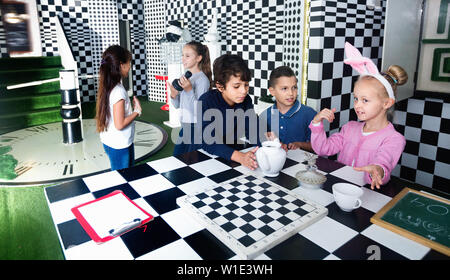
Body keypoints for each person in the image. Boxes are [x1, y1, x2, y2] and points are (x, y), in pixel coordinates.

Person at [309, 42, 407, 190]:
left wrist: (378, 170)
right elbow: (323, 149)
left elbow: (383, 163)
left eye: (365, 100)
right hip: (339, 189)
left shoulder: (394, 139)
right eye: (356, 98)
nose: (357, 105)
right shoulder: (349, 128)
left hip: (367, 196)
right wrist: (316, 123)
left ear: (386, 103)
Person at [197, 54, 261, 170]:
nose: (243, 91)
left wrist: (270, 145)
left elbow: (253, 129)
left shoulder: (245, 100)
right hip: (203, 154)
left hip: (231, 152)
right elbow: (208, 141)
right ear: (220, 86)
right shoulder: (206, 101)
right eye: (236, 86)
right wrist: (240, 157)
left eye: (246, 85)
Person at [95, 45, 142, 171]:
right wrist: (137, 111)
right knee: (122, 181)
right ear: (121, 65)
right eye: (129, 62)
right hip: (119, 144)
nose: (130, 66)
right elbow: (120, 124)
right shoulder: (118, 91)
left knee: (127, 177)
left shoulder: (108, 86)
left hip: (112, 141)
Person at [169, 41, 212, 156]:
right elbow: (178, 105)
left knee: (191, 164)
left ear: (198, 58)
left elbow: (199, 110)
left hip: (196, 127)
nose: (183, 59)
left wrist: (188, 90)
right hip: (185, 125)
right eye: (182, 55)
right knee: (177, 159)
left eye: (187, 56)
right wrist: (173, 95)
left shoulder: (202, 80)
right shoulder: (185, 77)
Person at [259, 66, 316, 152]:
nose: (291, 93)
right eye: (284, 88)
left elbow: (320, 146)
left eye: (294, 87)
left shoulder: (309, 114)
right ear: (272, 91)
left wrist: (300, 144)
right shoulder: (264, 116)